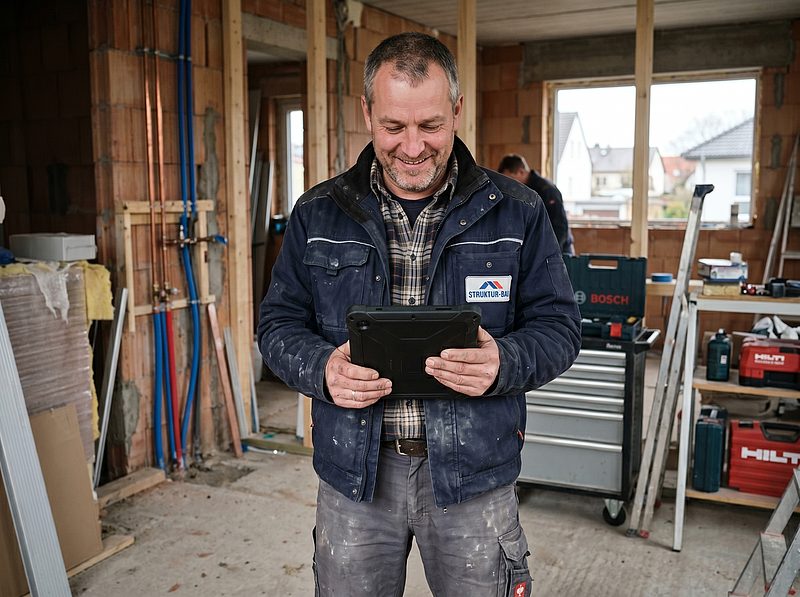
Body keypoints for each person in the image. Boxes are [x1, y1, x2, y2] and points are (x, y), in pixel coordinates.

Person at [258, 32, 580, 597]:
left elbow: (560, 327)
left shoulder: (519, 211)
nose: (412, 147)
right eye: (393, 126)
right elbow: (277, 325)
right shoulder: (318, 213)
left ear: (456, 110)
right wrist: (322, 370)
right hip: (355, 478)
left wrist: (503, 361)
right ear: (367, 113)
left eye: (430, 125)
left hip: (473, 476)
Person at [497, 154, 575, 255]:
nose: (507, 185)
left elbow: (559, 226)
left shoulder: (546, 190)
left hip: (558, 251)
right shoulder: (521, 192)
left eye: (510, 179)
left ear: (521, 172)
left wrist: (552, 255)